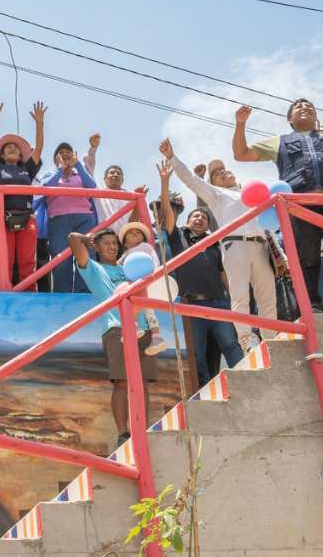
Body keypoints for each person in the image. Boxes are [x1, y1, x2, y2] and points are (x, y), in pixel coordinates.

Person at [232, 101, 323, 314]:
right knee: (306, 258)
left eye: (309, 105)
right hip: (300, 208)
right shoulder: (280, 142)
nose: (304, 107)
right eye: (298, 106)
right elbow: (241, 154)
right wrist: (240, 124)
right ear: (289, 119)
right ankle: (311, 305)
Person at [161, 138, 277, 353]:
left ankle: (271, 338)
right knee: (240, 295)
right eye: (216, 174)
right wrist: (173, 159)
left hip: (261, 245)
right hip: (235, 246)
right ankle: (248, 340)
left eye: (224, 170)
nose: (222, 173)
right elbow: (191, 180)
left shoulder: (251, 192)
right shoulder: (216, 194)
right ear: (212, 183)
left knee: (267, 296)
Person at [155, 160, 242, 389]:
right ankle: (203, 391)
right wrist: (165, 181)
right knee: (198, 354)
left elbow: (224, 273)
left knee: (231, 345)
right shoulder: (179, 236)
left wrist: (234, 300)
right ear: (187, 221)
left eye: (203, 218)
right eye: (196, 217)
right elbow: (165, 209)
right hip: (191, 305)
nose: (200, 219)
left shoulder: (215, 242)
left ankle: (245, 382)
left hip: (219, 303)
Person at [69, 228, 153, 448]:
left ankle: (143, 430)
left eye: (115, 243)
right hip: (117, 328)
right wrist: (86, 239)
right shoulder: (94, 269)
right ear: (96, 247)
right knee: (122, 381)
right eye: (106, 243)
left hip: (145, 329)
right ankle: (123, 433)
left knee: (143, 383)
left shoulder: (130, 268)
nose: (113, 247)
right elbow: (72, 240)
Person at [0, 99, 44, 292]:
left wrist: (39, 124)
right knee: (5, 258)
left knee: (27, 259)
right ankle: (2, 291)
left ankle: (29, 292)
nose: (12, 148)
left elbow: (38, 149)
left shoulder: (27, 170)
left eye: (16, 148)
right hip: (3, 217)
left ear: (20, 156)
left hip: (27, 217)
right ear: (1, 155)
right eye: (8, 147)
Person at [43, 140, 99, 293]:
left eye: (69, 152)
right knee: (61, 260)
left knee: (86, 257)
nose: (66, 154)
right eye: (61, 153)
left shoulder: (80, 175)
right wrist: (60, 169)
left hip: (84, 219)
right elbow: (46, 187)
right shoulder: (51, 175)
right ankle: (63, 296)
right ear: (56, 160)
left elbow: (91, 185)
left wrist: (78, 165)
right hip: (59, 221)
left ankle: (84, 294)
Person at [117, 222, 168, 354]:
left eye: (138, 232)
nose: (135, 233)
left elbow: (154, 258)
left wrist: (154, 272)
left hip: (147, 279)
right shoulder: (126, 253)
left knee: (149, 310)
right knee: (135, 305)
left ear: (144, 239)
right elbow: (118, 266)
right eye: (131, 232)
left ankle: (156, 337)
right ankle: (135, 327)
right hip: (133, 282)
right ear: (125, 243)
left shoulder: (145, 246)